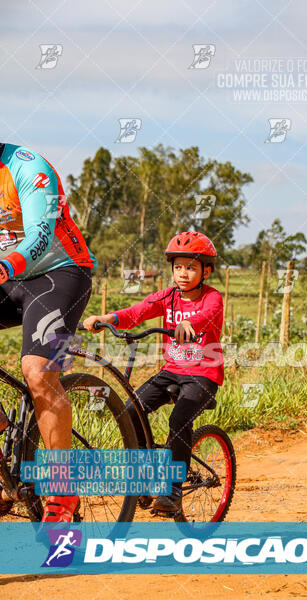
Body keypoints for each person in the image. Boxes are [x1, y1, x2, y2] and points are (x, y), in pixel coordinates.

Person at [83, 231, 224, 513]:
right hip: (171, 371)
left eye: (192, 267)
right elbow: (138, 312)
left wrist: (189, 324)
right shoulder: (168, 297)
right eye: (178, 267)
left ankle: (172, 491)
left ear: (206, 270)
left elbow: (205, 315)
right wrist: (106, 319)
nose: (183, 273)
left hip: (203, 375)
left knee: (179, 419)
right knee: (129, 410)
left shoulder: (212, 298)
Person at [0, 143, 97, 521]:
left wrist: (6, 267)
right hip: (8, 277)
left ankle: (61, 494)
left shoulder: (29, 168)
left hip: (59, 273)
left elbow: (42, 233)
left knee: (38, 371)